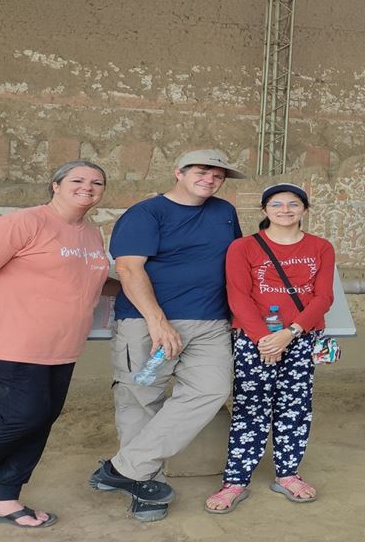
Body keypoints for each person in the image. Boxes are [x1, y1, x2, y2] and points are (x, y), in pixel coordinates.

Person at [0, 161, 111, 528]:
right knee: (23, 417)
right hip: (7, 341)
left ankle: (5, 500)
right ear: (55, 185)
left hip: (61, 346)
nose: (88, 187)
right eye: (77, 180)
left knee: (40, 420)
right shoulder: (23, 222)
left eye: (97, 182)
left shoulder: (92, 234)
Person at [90, 149, 245, 522]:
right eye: (201, 171)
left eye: (218, 175)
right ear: (179, 173)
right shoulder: (146, 213)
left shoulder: (224, 212)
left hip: (210, 323)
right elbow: (129, 268)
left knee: (211, 390)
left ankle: (123, 468)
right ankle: (147, 489)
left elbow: (236, 261)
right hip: (148, 324)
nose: (210, 179)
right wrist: (157, 321)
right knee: (141, 399)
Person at [205, 183, 335, 513]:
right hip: (255, 339)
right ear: (265, 210)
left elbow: (323, 297)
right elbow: (238, 295)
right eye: (277, 204)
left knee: (295, 406)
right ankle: (235, 480)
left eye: (293, 204)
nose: (285, 210)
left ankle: (288, 474)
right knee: (251, 406)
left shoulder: (321, 247)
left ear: (304, 209)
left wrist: (290, 333)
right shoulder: (243, 247)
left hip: (300, 336)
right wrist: (264, 338)